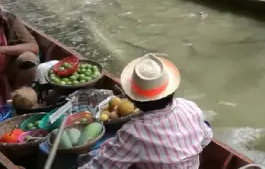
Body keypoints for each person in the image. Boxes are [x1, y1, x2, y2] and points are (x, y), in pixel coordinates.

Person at [80, 53, 212, 169]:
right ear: (170, 90)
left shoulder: (135, 132)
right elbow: (206, 137)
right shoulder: (189, 106)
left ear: (132, 99)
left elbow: (101, 166)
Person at [0, 8, 39, 103]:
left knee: (28, 58)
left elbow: (33, 47)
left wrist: (2, 49)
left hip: (7, 68)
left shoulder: (7, 18)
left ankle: (19, 100)